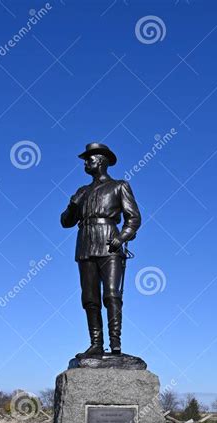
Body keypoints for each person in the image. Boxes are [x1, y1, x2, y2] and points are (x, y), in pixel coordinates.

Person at [61, 142, 141, 356]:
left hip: (110, 244)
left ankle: (115, 344)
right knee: (89, 297)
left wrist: (121, 238)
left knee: (112, 295)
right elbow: (65, 222)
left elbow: (133, 218)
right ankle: (96, 343)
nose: (86, 162)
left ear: (102, 161)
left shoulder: (119, 186)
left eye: (90, 158)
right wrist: (73, 205)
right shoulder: (82, 192)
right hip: (86, 244)